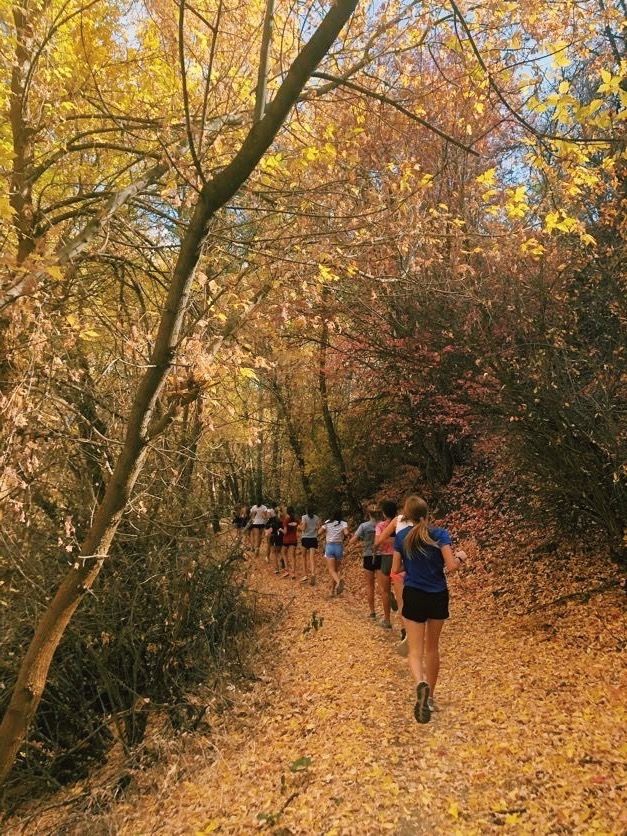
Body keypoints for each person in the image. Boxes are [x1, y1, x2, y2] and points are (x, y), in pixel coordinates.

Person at [392, 495, 462, 724]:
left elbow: (395, 569)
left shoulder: (402, 537)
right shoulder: (440, 534)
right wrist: (460, 557)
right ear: (427, 513)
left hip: (413, 594)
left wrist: (411, 563)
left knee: (414, 650)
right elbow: (450, 566)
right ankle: (430, 697)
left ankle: (420, 682)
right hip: (437, 595)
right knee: (432, 648)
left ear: (407, 516)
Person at [349, 506, 384, 623]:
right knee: (383, 587)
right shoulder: (383, 525)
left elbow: (353, 540)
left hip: (368, 556)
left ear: (368, 514)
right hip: (380, 556)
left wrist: (355, 540)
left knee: (370, 586)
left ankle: (372, 612)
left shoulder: (364, 526)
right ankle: (387, 614)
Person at [374, 499, 398, 629]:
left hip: (386, 559)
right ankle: (405, 624)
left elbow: (377, 541)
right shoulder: (401, 524)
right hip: (401, 558)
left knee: (385, 591)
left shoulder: (381, 526)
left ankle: (387, 620)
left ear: (384, 513)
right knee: (403, 590)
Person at [319, 510, 349, 596]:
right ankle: (332, 591)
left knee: (331, 570)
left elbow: (319, 532)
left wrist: (325, 530)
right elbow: (346, 533)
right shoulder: (343, 523)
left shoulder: (327, 522)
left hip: (329, 547)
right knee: (335, 570)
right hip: (339, 547)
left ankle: (339, 582)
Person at [300, 507, 321, 585]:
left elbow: (303, 528)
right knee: (312, 558)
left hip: (305, 538)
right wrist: (314, 530)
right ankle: (313, 574)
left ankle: (305, 575)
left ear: (306, 511)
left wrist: (299, 527)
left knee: (303, 557)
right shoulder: (317, 517)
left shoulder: (304, 517)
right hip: (313, 539)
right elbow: (318, 527)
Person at [281, 505, 299, 580]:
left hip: (286, 540)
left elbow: (285, 532)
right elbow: (299, 526)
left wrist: (280, 529)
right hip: (294, 539)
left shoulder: (286, 520)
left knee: (283, 552)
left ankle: (287, 569)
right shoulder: (296, 520)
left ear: (287, 512)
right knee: (293, 556)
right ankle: (293, 573)